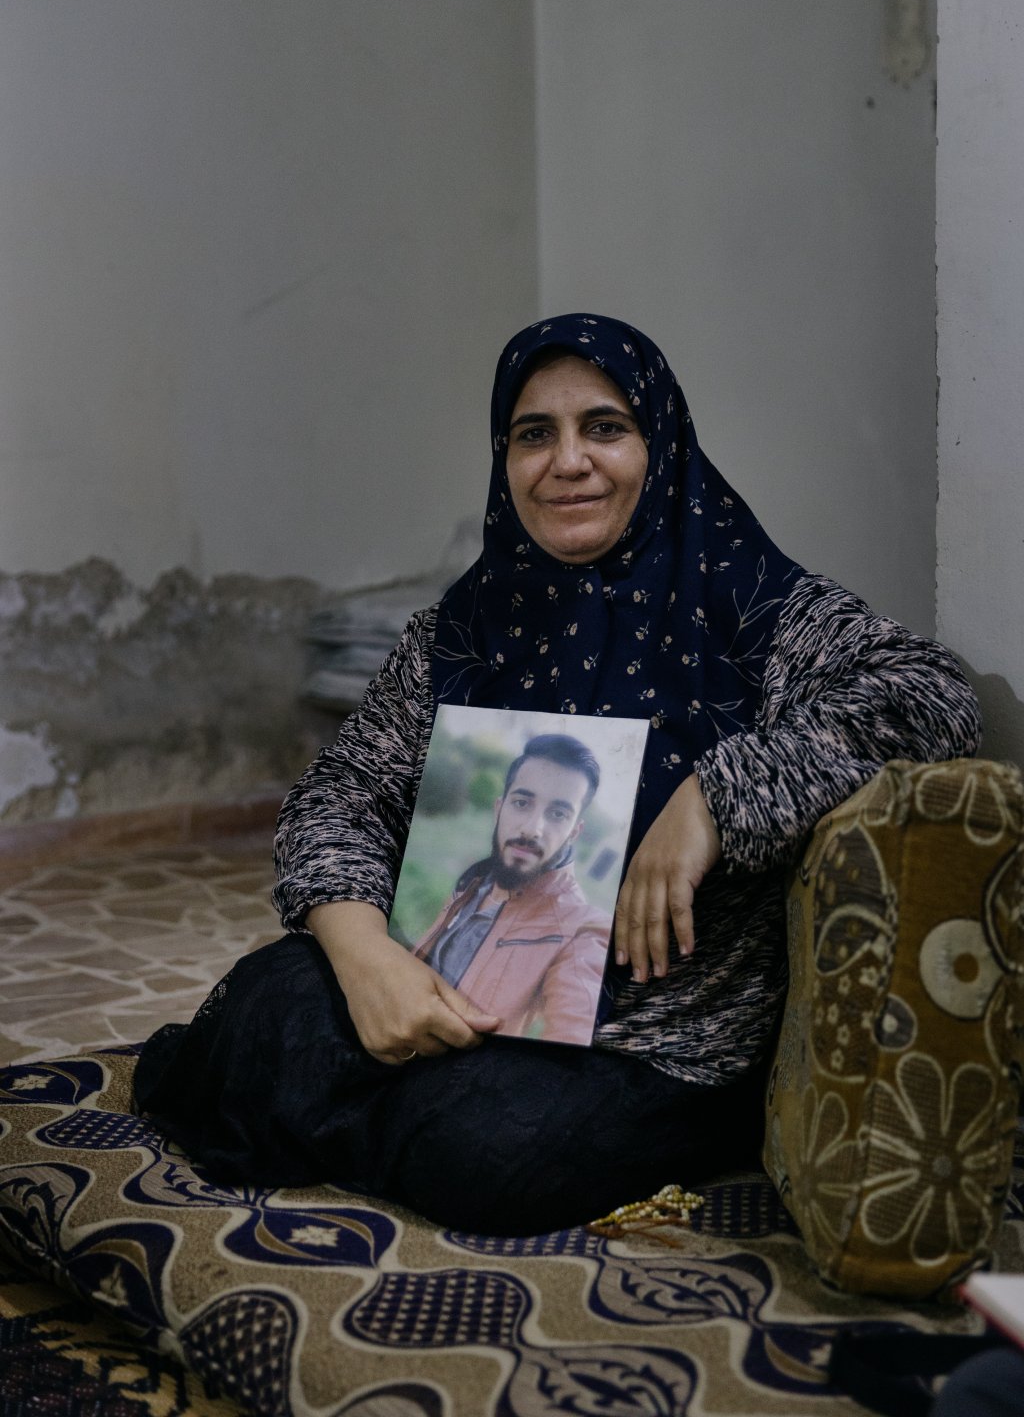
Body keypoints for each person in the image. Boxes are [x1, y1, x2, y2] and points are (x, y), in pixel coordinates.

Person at [134, 313, 982, 1236]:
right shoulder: (467, 624)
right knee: (268, 1003)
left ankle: (375, 1116)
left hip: (652, 1037)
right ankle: (398, 1104)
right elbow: (341, 791)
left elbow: (928, 695)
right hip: (448, 979)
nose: (567, 461)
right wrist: (369, 958)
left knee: (493, 1154)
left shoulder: (752, 604)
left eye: (605, 428)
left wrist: (712, 798)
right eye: (534, 434)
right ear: (505, 461)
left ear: (660, 444)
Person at [412, 733, 609, 1044]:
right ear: (498, 809)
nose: (532, 829)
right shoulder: (473, 883)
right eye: (521, 803)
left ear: (574, 832)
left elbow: (573, 1035)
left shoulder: (581, 929)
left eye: (558, 813)